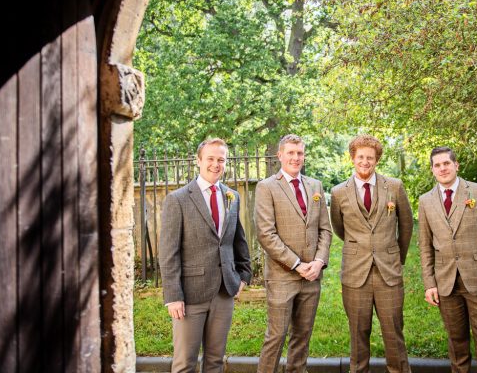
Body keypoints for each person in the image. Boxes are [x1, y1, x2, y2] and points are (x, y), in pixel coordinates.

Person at [159, 138, 252, 373]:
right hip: (190, 295)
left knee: (215, 361)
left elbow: (238, 240)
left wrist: (243, 275)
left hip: (224, 291)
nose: (216, 164)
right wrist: (173, 296)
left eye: (221, 160)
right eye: (210, 158)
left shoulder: (232, 196)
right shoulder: (178, 199)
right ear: (198, 161)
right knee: (185, 364)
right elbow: (168, 252)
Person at [330, 134, 414, 373]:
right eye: (360, 157)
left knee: (394, 333)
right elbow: (339, 227)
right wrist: (360, 247)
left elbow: (406, 225)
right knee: (358, 335)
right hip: (356, 274)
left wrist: (396, 257)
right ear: (352, 158)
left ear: (377, 160)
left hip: (388, 272)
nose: (365, 162)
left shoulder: (394, 187)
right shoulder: (338, 192)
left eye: (370, 157)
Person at [418, 146, 477, 373]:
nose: (442, 168)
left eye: (446, 163)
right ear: (432, 170)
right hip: (445, 282)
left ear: (456, 165)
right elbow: (425, 246)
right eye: (437, 165)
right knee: (456, 342)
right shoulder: (425, 201)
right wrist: (429, 283)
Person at [255, 134, 332, 373]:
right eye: (290, 153)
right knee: (276, 336)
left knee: (302, 335)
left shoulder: (315, 186)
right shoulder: (267, 187)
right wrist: (297, 264)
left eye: (299, 153)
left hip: (312, 277)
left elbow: (325, 229)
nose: (295, 158)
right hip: (282, 276)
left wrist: (318, 261)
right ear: (280, 155)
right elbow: (266, 234)